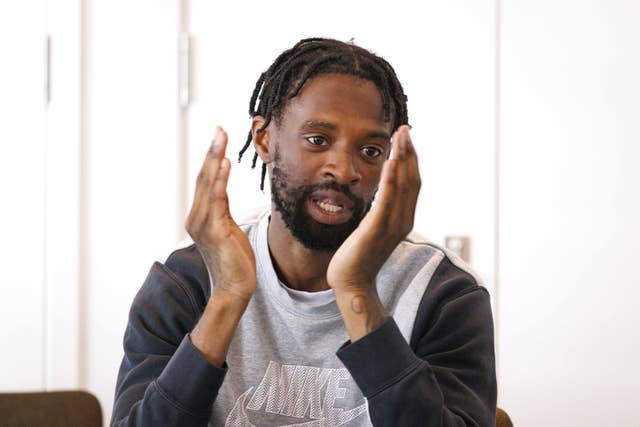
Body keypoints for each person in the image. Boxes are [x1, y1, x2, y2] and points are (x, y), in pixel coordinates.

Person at [111, 37, 497, 427]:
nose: (344, 169)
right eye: (318, 140)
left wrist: (357, 289)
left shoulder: (442, 291)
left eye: (370, 151)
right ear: (263, 138)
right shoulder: (185, 280)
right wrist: (226, 297)